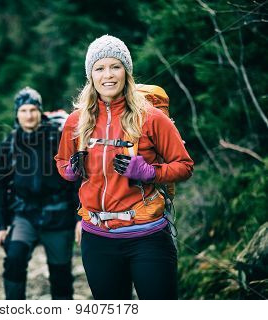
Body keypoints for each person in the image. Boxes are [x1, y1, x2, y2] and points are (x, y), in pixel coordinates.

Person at [55, 35, 194, 300]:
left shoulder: (152, 118)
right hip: (97, 239)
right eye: (99, 68)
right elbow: (61, 161)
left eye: (115, 66)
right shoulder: (76, 121)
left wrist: (150, 172)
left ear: (126, 72)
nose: (108, 75)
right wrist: (71, 170)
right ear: (90, 75)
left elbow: (185, 165)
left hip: (148, 237)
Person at [0, 87, 78, 300]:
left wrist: (79, 218)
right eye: (24, 110)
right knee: (14, 260)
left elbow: (77, 178)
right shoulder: (11, 143)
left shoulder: (58, 137)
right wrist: (0, 226)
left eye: (33, 110)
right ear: (17, 113)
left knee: (61, 273)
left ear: (40, 112)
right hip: (25, 215)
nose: (29, 115)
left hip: (59, 215)